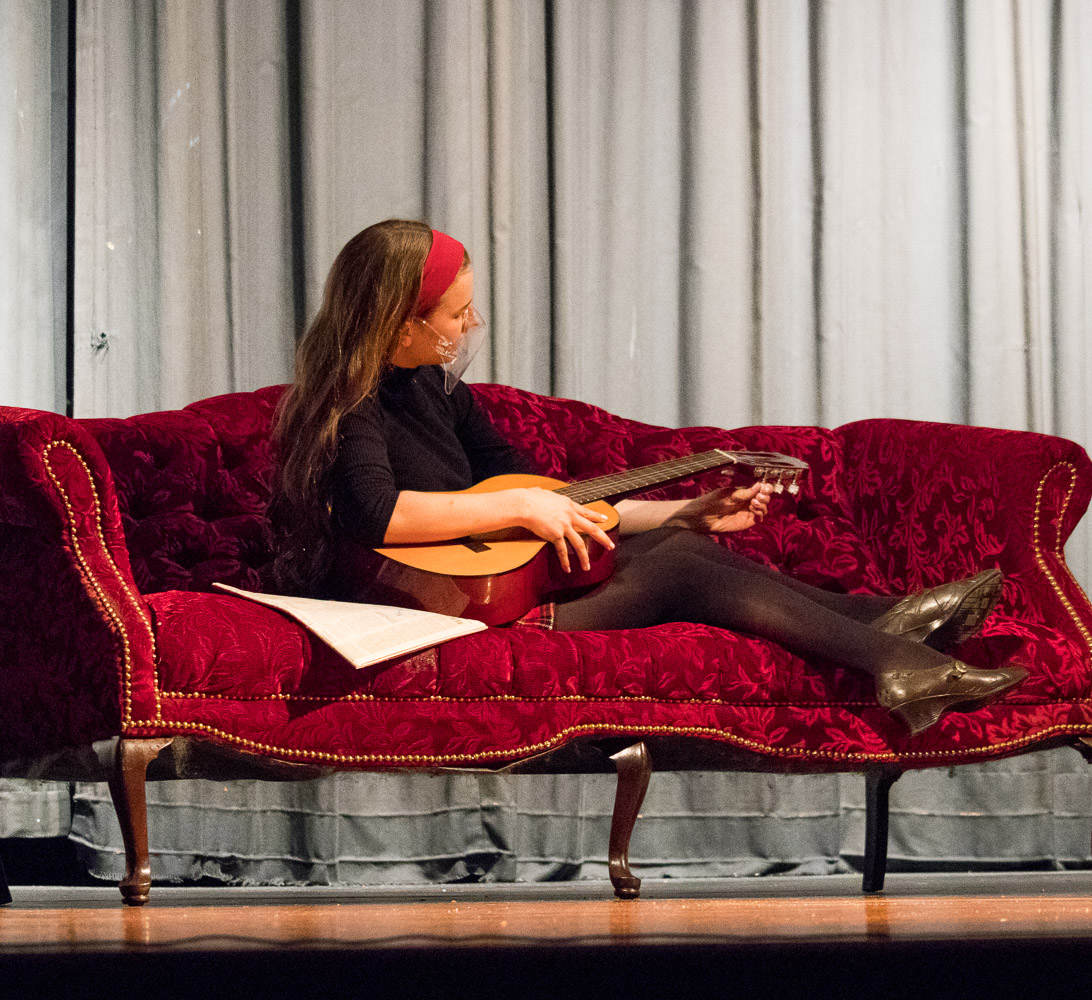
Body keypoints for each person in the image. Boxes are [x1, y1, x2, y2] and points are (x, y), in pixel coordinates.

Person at [270, 219, 1025, 734]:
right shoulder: (349, 404)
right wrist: (527, 509)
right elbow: (378, 515)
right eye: (456, 313)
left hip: (494, 581)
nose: (471, 326)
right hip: (430, 602)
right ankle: (898, 651)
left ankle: (892, 625)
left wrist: (680, 510)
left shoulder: (438, 393)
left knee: (682, 547)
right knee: (679, 573)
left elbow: (546, 502)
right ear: (401, 322)